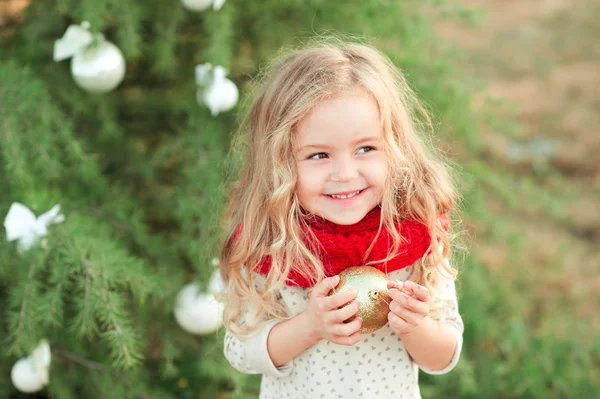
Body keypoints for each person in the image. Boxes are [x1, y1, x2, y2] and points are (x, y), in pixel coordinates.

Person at [219, 37, 464, 399]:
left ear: (394, 148)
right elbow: (240, 351)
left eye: (365, 148)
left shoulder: (414, 235)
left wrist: (416, 326)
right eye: (319, 155)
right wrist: (309, 326)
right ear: (280, 163)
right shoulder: (269, 243)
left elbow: (444, 357)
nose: (346, 173)